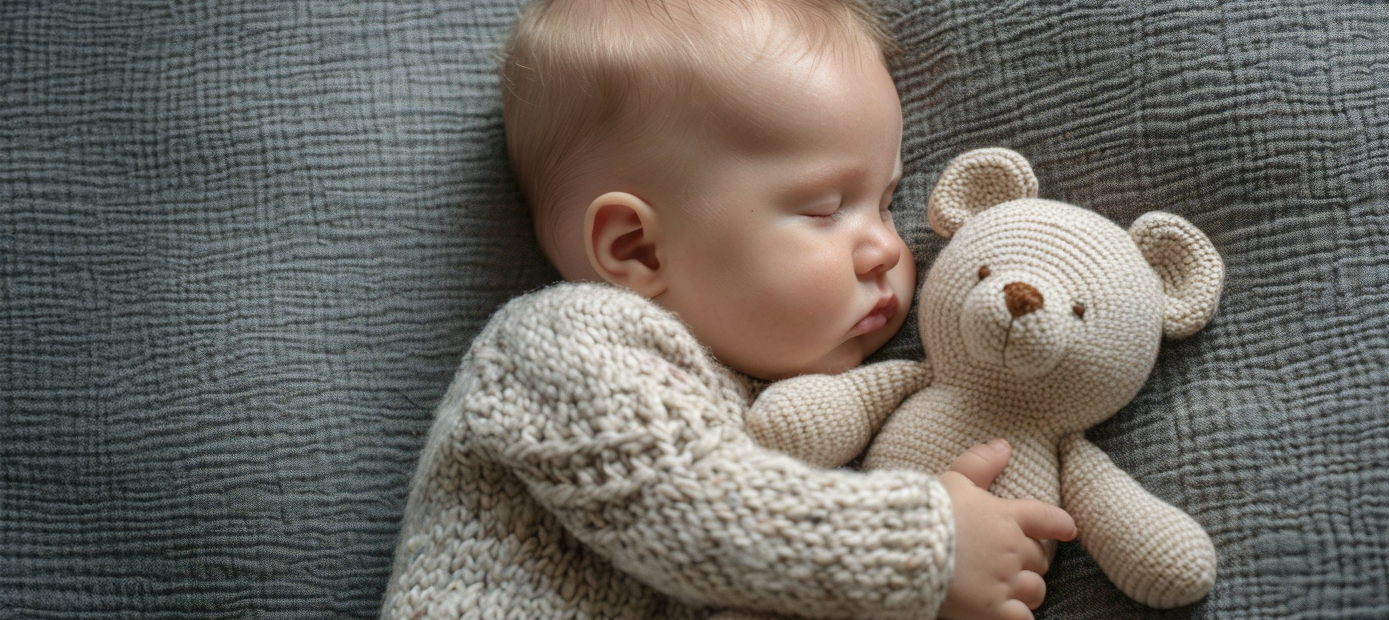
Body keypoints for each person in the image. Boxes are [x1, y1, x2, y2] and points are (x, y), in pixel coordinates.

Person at [381, 1, 1077, 619]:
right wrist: (927, 546)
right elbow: (692, 510)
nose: (884, 250)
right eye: (825, 209)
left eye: (887, 202)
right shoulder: (557, 346)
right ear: (639, 250)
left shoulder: (786, 406)